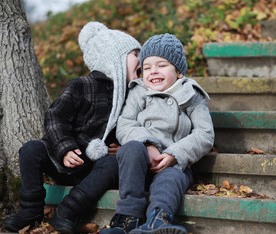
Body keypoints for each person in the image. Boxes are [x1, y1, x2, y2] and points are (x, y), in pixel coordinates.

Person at [3, 21, 141, 234]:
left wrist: (124, 148)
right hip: (63, 158)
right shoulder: (81, 85)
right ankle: (31, 209)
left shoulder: (132, 95)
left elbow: (132, 126)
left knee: (112, 164)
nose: (140, 60)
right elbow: (55, 117)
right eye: (134, 54)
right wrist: (65, 148)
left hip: (93, 168)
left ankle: (67, 211)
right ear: (113, 58)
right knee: (31, 149)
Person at [101, 33, 215, 234]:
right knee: (131, 148)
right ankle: (126, 218)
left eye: (161, 66)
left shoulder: (191, 95)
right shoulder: (138, 91)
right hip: (139, 163)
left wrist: (175, 154)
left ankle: (157, 220)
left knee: (170, 180)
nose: (153, 71)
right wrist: (148, 144)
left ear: (179, 71)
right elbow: (125, 124)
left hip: (172, 163)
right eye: (147, 67)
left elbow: (205, 134)